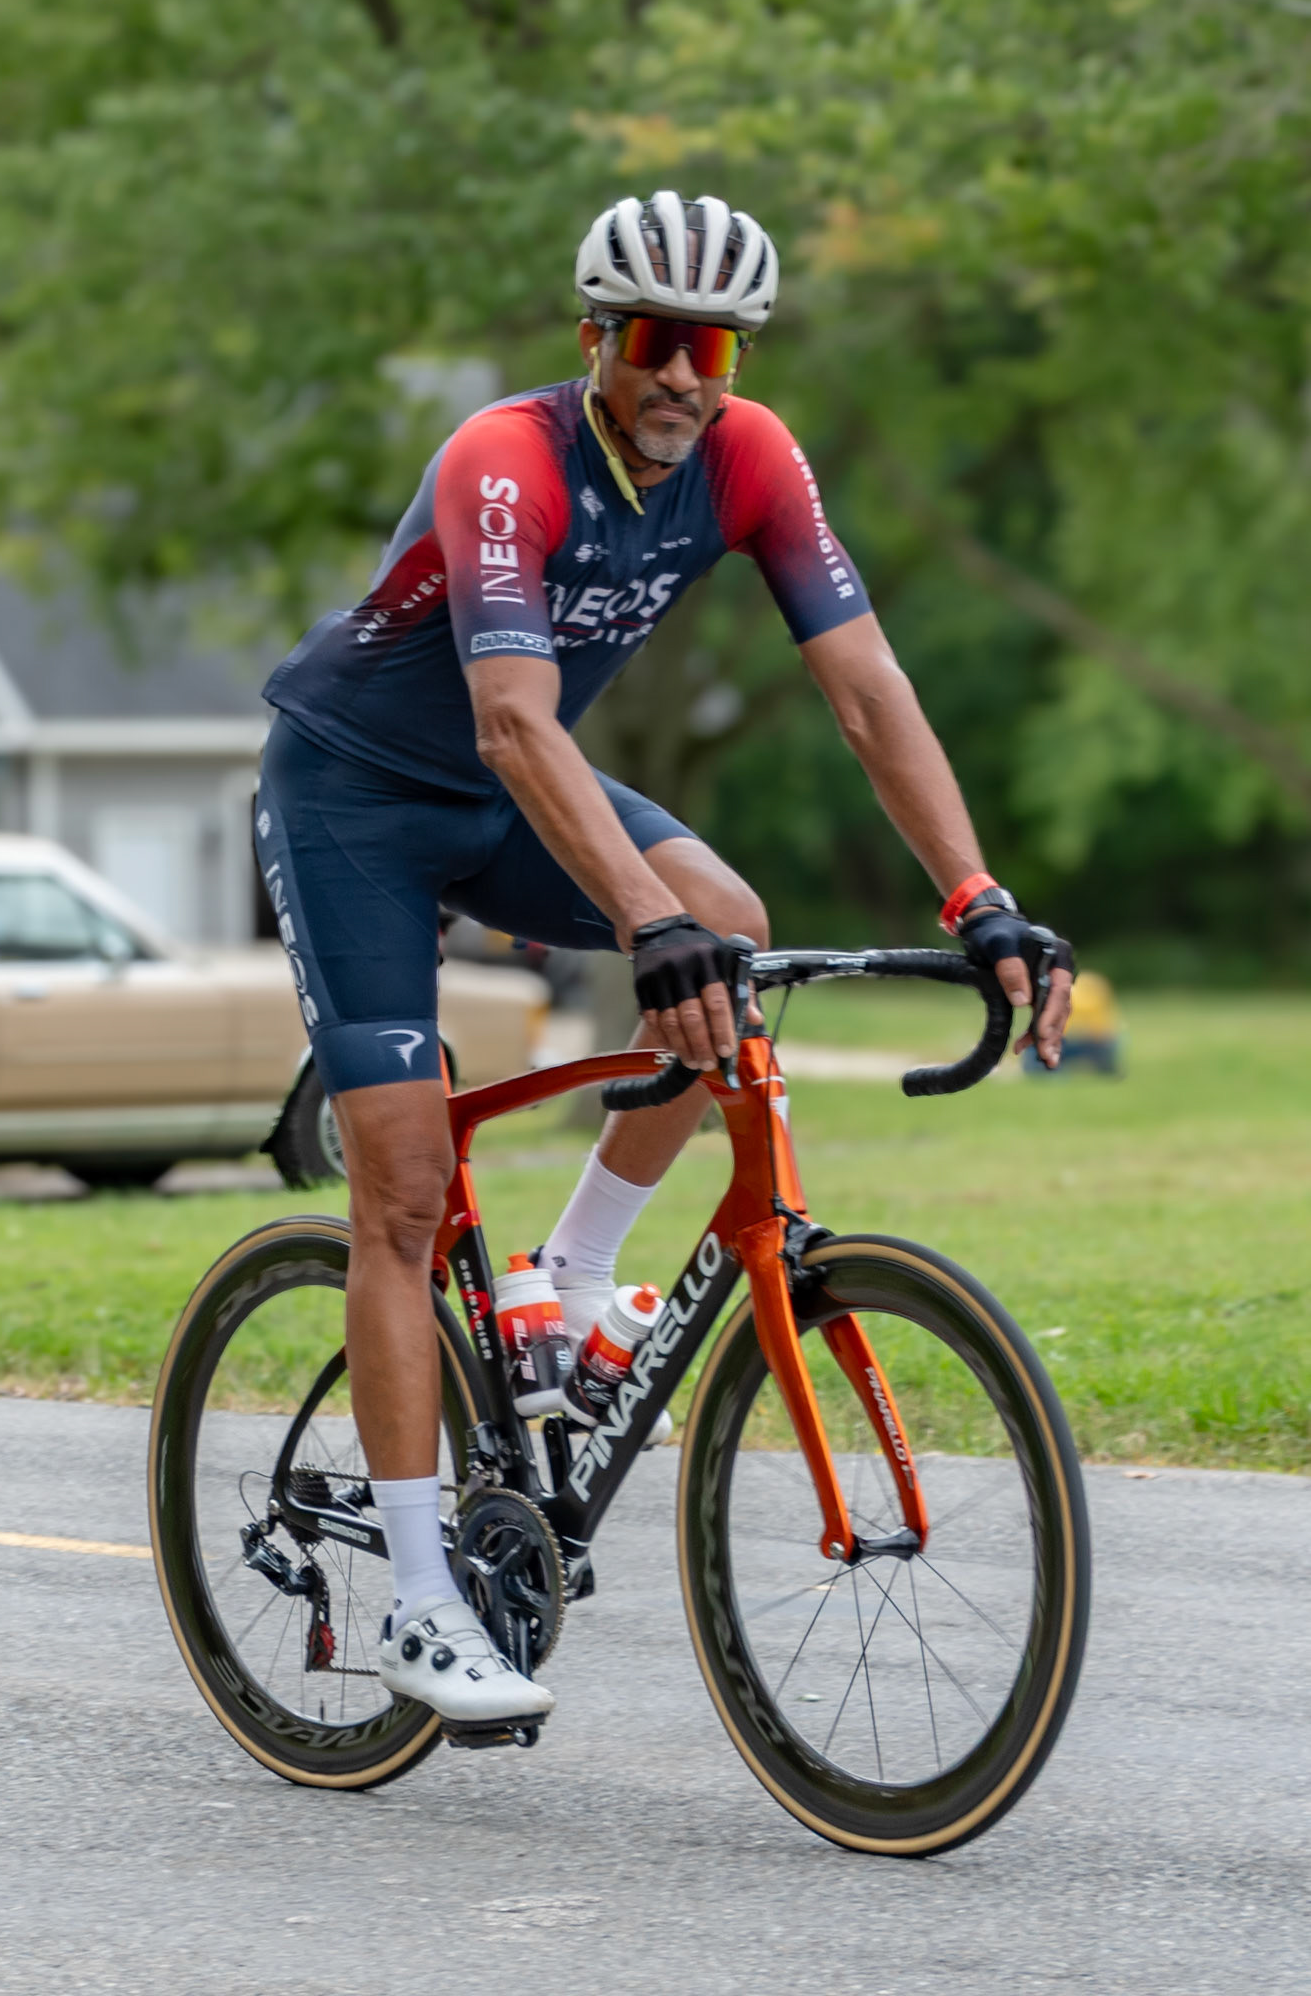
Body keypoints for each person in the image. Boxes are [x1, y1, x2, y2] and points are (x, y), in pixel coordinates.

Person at [255, 190, 1074, 1730]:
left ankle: (571, 1276)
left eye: (716, 347)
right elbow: (512, 721)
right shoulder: (503, 458)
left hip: (512, 792)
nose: (685, 375)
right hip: (359, 796)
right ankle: (420, 1604)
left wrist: (974, 895)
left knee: (733, 937)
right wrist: (643, 922)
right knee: (403, 1192)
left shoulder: (752, 459)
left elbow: (867, 690)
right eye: (655, 339)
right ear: (595, 339)